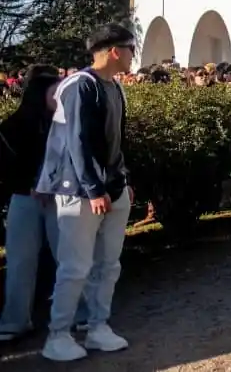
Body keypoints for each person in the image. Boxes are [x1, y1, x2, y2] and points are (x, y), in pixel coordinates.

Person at [37, 25, 135, 362]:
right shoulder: (81, 85)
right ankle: (58, 334)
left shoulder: (114, 87)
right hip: (80, 191)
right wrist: (94, 189)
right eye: (130, 47)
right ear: (114, 51)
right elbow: (77, 141)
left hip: (111, 187)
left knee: (108, 264)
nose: (133, 54)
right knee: (75, 267)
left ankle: (97, 326)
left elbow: (116, 141)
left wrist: (122, 179)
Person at [0, 66, 61, 341]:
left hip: (59, 199)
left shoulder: (64, 124)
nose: (59, 98)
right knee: (20, 261)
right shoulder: (12, 127)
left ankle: (80, 314)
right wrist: (31, 184)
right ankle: (15, 321)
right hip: (24, 198)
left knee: (68, 259)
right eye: (55, 93)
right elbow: (7, 167)